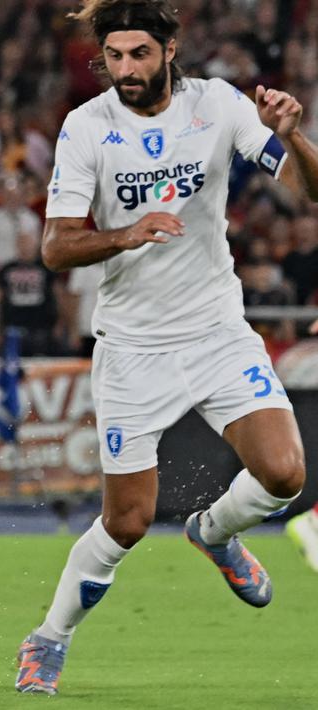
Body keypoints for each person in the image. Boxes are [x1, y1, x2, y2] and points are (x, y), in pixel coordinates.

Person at [16, 0, 316, 695]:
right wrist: (122, 233)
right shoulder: (85, 127)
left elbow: (309, 190)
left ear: (170, 48)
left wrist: (293, 138)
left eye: (138, 55)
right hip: (131, 347)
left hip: (215, 330)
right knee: (125, 523)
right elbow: (56, 245)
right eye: (113, 57)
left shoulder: (217, 106)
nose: (124, 69)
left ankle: (213, 533)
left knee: (283, 474)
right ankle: (47, 639)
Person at [0, 231, 62, 356]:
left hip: (42, 329)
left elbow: (59, 297)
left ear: (37, 244)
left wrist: (60, 323)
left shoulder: (47, 268)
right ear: (16, 245)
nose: (25, 246)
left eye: (28, 242)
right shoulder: (7, 269)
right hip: (12, 330)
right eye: (22, 242)